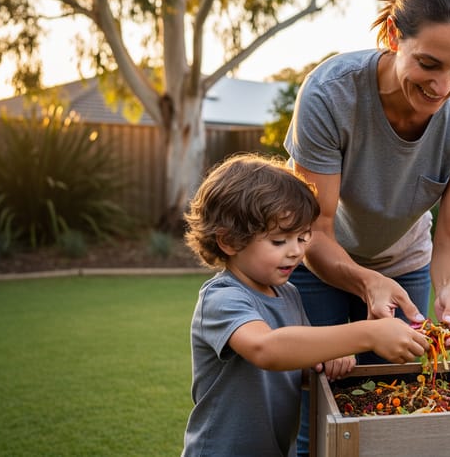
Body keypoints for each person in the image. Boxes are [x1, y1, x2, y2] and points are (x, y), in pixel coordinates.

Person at [285, 0, 450, 455]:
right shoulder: (330, 93)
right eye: (428, 63)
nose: (443, 87)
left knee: (394, 412)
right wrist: (366, 281)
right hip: (315, 265)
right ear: (391, 35)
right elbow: (313, 228)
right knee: (315, 419)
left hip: (406, 268)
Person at [180, 153, 428, 457]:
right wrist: (368, 333)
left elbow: (291, 366)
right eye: (279, 241)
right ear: (229, 241)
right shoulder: (222, 298)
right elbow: (267, 350)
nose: (296, 252)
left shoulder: (289, 295)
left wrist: (324, 364)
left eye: (303, 237)